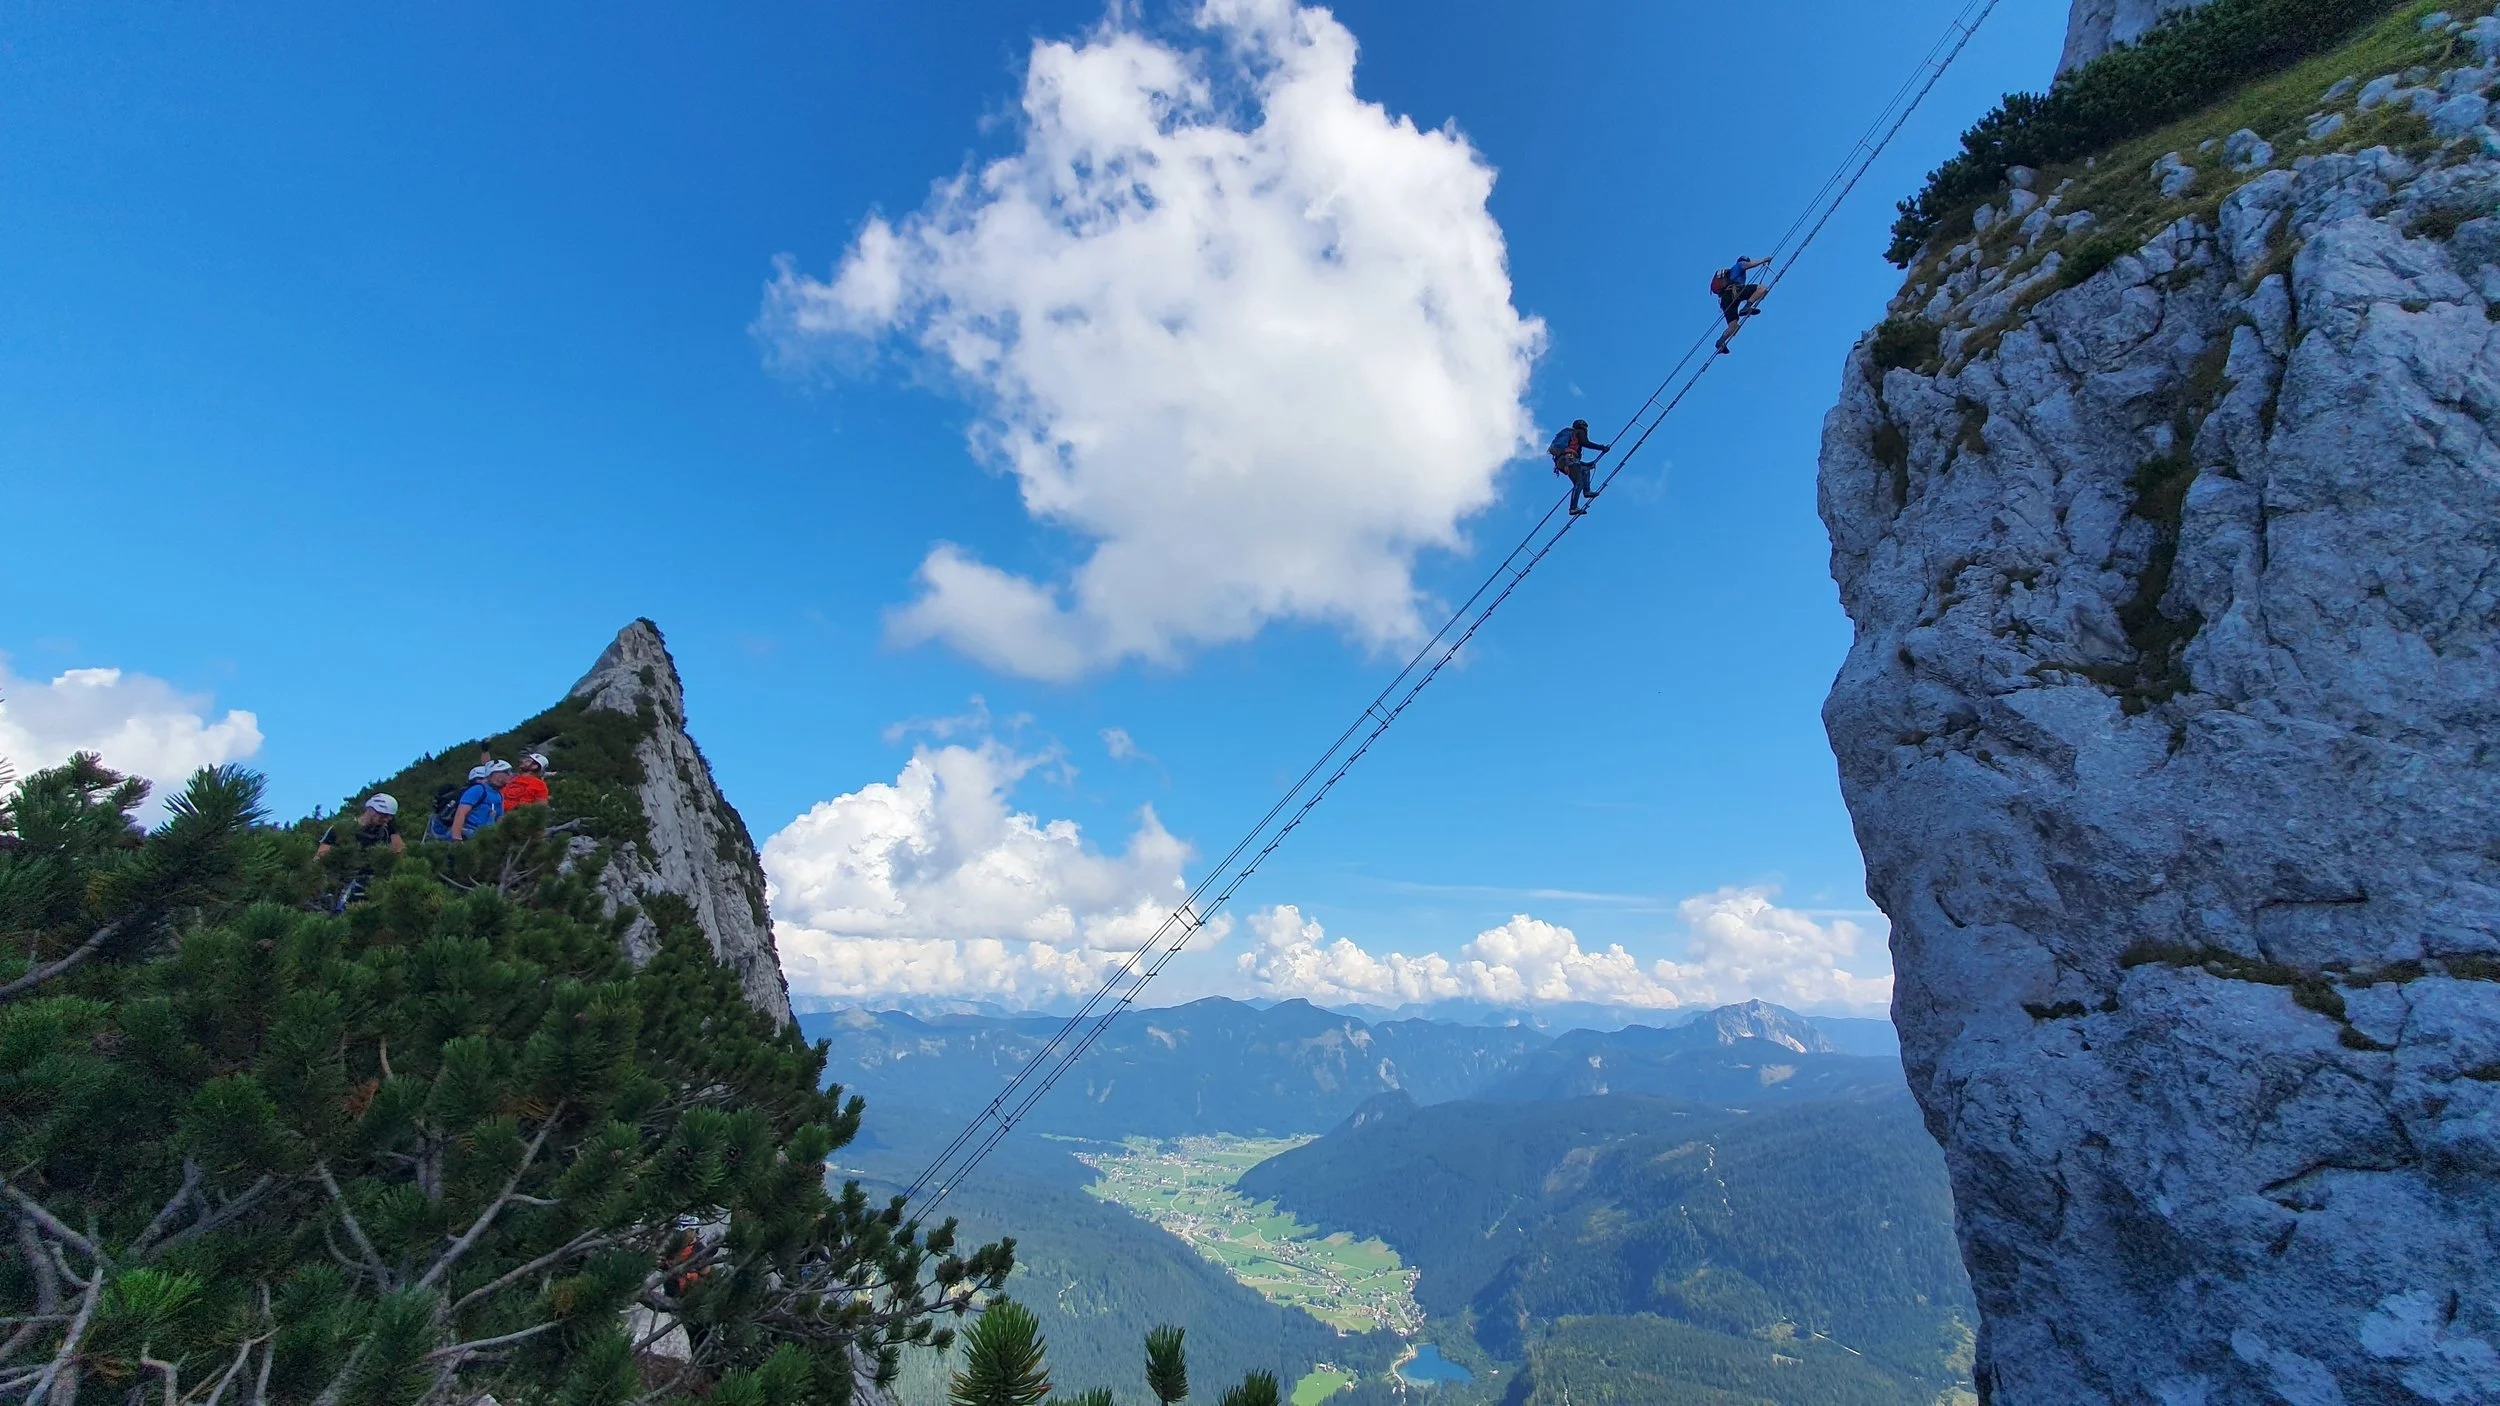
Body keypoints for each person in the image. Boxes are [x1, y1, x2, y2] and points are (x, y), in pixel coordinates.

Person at [430, 761, 511, 841]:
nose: (510, 775)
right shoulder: (478, 790)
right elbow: (461, 813)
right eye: (507, 772)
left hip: (484, 834)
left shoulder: (499, 795)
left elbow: (500, 818)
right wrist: (457, 839)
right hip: (469, 832)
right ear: (497, 774)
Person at [1548, 419, 1610, 516]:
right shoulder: (1579, 432)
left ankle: (1587, 491)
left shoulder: (1569, 436)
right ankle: (1573, 508)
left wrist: (1587, 464)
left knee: (1585, 470)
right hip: (1569, 458)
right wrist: (1601, 447)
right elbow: (1586, 443)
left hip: (1562, 461)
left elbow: (1576, 463)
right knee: (1578, 482)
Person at [1714, 255, 1773, 353]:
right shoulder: (1739, 265)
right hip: (1734, 291)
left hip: (1725, 299)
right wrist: (1763, 260)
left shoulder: (1731, 273)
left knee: (1733, 326)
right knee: (1762, 289)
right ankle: (1747, 307)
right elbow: (1748, 265)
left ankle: (1720, 341)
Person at [317, 794, 406, 858]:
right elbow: (321, 855)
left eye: (389, 817)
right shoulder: (342, 828)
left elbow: (399, 852)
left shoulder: (385, 832)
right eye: (383, 815)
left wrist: (392, 830)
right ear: (371, 810)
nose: (386, 819)